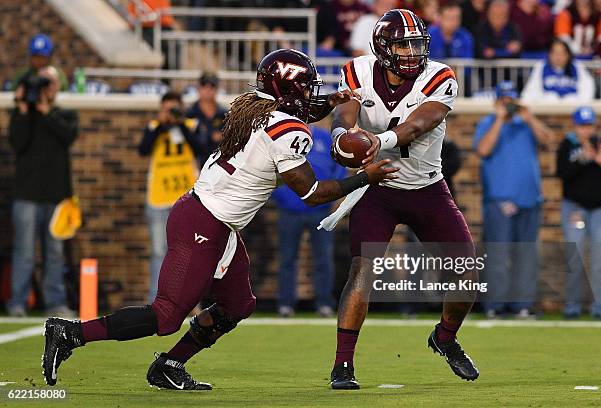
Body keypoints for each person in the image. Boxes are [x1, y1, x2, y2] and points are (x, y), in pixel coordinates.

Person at [41, 49, 398, 390]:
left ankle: (170, 365)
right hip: (203, 221)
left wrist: (328, 103)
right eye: (305, 87)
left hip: (213, 218)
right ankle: (72, 333)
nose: (311, 94)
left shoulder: (252, 106)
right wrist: (366, 177)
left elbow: (291, 116)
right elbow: (311, 193)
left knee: (238, 304)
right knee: (166, 316)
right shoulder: (288, 131)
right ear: (287, 90)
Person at [324, 9, 480, 389]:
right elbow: (344, 113)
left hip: (428, 188)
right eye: (403, 44)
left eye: (416, 44)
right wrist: (343, 135)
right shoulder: (357, 71)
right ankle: (342, 365)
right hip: (377, 188)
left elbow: (418, 124)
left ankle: (444, 337)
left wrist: (379, 140)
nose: (412, 52)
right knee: (362, 271)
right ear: (382, 47)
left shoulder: (439, 76)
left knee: (468, 277)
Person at [473, 81, 555, 320]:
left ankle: (522, 306)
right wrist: (499, 119)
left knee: (527, 256)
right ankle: (495, 306)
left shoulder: (526, 123)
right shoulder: (488, 123)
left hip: (529, 200)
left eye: (511, 100)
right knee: (498, 255)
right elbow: (484, 150)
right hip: (499, 201)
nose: (508, 105)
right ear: (496, 102)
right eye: (504, 101)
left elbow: (549, 141)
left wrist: (529, 118)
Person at [7, 66, 78, 317]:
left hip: (57, 196)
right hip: (27, 195)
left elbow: (68, 136)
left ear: (57, 85)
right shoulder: (23, 114)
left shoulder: (64, 114)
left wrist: (46, 111)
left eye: (49, 82)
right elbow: (17, 142)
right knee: (24, 252)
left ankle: (55, 302)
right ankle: (17, 302)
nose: (45, 87)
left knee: (55, 254)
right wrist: (24, 109)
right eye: (41, 83)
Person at [272, 121, 347, 318]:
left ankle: (324, 303)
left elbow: (339, 169)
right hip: (290, 209)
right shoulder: (285, 138)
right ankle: (285, 304)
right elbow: (270, 168)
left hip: (320, 210)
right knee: (288, 257)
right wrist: (282, 197)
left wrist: (334, 196)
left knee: (323, 257)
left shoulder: (324, 138)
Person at [138, 91, 201, 303]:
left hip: (186, 200)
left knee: (190, 251)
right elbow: (143, 149)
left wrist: (179, 124)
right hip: (158, 198)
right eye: (167, 109)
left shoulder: (191, 125)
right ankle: (156, 301)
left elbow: (200, 147)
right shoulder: (154, 127)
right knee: (158, 252)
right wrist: (162, 124)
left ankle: (187, 300)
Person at [557, 106, 601, 320]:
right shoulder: (567, 145)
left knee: (599, 259)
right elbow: (562, 173)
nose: (586, 130)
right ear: (575, 126)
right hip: (575, 209)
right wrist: (582, 159)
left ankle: (598, 307)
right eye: (582, 126)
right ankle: (572, 306)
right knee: (575, 257)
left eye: (589, 125)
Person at [521, 39, 595, 103]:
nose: (558, 57)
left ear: (568, 55)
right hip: (548, 108)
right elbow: (531, 89)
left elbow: (587, 89)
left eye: (561, 53)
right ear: (549, 54)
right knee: (550, 97)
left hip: (572, 107)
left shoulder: (577, 66)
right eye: (555, 53)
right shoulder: (541, 66)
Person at [186, 73, 227, 165]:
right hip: (193, 165)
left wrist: (223, 137)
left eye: (212, 86)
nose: (208, 89)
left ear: (217, 89)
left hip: (219, 165)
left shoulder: (224, 114)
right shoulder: (189, 114)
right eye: (204, 85)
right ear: (198, 88)